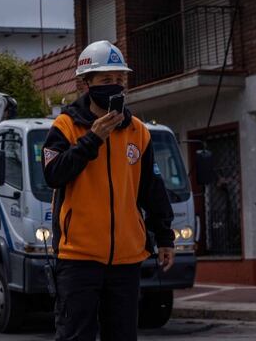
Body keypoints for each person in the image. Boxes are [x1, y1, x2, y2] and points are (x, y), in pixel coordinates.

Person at [42, 40, 175, 341]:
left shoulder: (138, 131)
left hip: (127, 259)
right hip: (78, 257)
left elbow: (151, 188)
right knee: (77, 336)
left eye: (119, 79)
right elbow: (53, 173)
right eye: (106, 80)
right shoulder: (64, 127)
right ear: (86, 83)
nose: (115, 85)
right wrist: (93, 139)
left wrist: (164, 236)